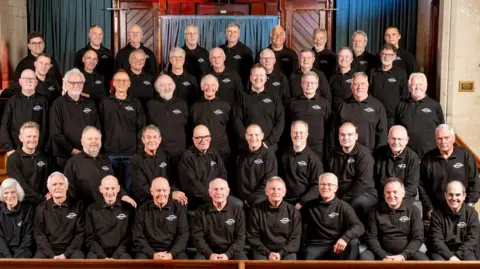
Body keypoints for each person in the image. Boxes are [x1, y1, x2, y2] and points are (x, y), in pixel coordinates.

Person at [64, 126, 136, 208]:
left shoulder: (106, 159)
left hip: (108, 211)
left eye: (97, 139)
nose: (94, 141)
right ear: (82, 141)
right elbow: (69, 191)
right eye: (90, 139)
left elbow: (115, 182)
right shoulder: (73, 163)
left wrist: (124, 195)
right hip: (85, 212)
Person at [419, 124, 480, 220]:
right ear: (436, 140)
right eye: (439, 138)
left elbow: (475, 182)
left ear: (453, 138)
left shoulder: (466, 155)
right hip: (436, 212)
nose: (443, 142)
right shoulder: (428, 158)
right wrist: (429, 208)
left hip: (462, 211)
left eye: (446, 138)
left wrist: (469, 206)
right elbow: (421, 186)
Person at [99, 70, 146, 194]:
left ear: (129, 83)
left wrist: (139, 150)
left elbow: (141, 128)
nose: (121, 83)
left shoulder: (135, 103)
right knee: (110, 189)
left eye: (124, 80)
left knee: (130, 189)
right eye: (118, 80)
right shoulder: (105, 102)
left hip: (131, 154)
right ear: (113, 83)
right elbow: (99, 127)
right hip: (110, 153)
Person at [361, 178, 428, 261]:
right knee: (364, 257)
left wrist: (403, 255)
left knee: (424, 261)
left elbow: (418, 238)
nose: (391, 195)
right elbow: (371, 237)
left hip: (406, 253)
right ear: (384, 194)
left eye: (395, 192)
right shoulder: (375, 211)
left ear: (403, 193)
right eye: (388, 192)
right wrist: (383, 256)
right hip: (381, 253)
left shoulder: (413, 211)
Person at [302, 173, 364, 260]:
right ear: (318, 187)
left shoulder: (343, 206)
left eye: (329, 184)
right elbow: (298, 226)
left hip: (337, 245)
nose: (325, 187)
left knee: (353, 243)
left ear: (336, 188)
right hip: (315, 246)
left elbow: (359, 226)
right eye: (323, 184)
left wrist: (344, 238)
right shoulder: (308, 206)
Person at [50, 68, 100, 171]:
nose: (76, 85)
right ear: (66, 84)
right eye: (72, 82)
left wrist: (90, 148)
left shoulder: (90, 103)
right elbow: (56, 133)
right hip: (65, 157)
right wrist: (71, 150)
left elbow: (97, 128)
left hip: (88, 154)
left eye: (79, 82)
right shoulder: (58, 104)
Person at [328, 122, 378, 224]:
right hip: (341, 194)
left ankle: (360, 234)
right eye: (342, 134)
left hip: (364, 193)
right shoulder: (333, 153)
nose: (346, 137)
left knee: (357, 202)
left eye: (350, 134)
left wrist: (343, 201)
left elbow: (363, 182)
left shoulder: (364, 154)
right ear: (338, 136)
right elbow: (331, 177)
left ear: (356, 136)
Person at [133, 177, 189, 260]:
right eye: (158, 191)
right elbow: (138, 236)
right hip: (148, 252)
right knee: (139, 263)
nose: (162, 194)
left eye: (164, 190)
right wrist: (152, 254)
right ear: (151, 191)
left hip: (172, 251)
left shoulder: (178, 209)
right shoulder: (142, 210)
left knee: (184, 264)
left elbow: (183, 235)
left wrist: (171, 254)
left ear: (169, 191)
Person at [192, 178, 247, 260]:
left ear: (228, 191)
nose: (219, 192)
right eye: (215, 189)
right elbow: (197, 237)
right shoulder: (201, 211)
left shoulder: (238, 211)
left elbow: (241, 238)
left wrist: (228, 255)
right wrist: (210, 254)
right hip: (207, 252)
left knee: (244, 263)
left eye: (222, 189)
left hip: (232, 252)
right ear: (210, 192)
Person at [131, 125, 187, 206]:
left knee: (182, 201)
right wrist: (170, 194)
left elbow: (173, 180)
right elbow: (141, 188)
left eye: (155, 137)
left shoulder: (166, 155)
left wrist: (176, 193)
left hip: (166, 198)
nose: (152, 140)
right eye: (148, 137)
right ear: (143, 139)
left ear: (159, 139)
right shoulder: (136, 160)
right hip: (148, 200)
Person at [247, 177, 302, 260]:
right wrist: (268, 253)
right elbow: (253, 237)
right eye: (273, 189)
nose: (276, 192)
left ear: (284, 192)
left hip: (286, 252)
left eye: (279, 189)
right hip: (262, 251)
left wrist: (281, 254)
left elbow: (295, 239)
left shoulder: (293, 211)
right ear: (266, 191)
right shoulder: (256, 210)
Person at [34, 172, 85, 259]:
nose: (58, 187)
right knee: (35, 263)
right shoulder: (41, 208)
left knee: (79, 259)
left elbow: (80, 234)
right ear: (49, 188)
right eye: (54, 184)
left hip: (71, 250)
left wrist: (66, 254)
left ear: (67, 186)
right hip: (48, 250)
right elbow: (39, 235)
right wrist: (52, 255)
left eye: (61, 184)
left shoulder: (78, 206)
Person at [178, 125, 229, 210]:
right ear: (194, 139)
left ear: (210, 138)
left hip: (218, 197)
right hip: (199, 202)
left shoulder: (214, 153)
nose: (203, 141)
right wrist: (212, 198)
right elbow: (192, 186)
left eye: (206, 137)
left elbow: (223, 174)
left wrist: (221, 194)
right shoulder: (187, 158)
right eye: (199, 138)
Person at [234, 64, 284, 152]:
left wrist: (268, 142)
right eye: (255, 75)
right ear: (250, 77)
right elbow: (237, 120)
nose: (258, 78)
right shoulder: (242, 97)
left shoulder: (274, 97)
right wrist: (248, 141)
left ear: (266, 78)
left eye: (261, 75)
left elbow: (280, 120)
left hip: (269, 147)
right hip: (247, 146)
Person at [395, 72, 445, 158]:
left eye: (421, 84)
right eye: (414, 85)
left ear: (426, 87)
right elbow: (396, 130)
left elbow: (442, 130)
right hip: (406, 155)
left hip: (430, 155)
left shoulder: (435, 106)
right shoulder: (401, 106)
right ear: (409, 88)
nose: (418, 87)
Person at [334, 72, 387, 151]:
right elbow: (334, 131)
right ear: (351, 87)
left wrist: (379, 155)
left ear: (368, 85)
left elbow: (382, 135)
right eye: (356, 84)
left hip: (370, 155)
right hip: (346, 154)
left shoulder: (377, 106)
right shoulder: (343, 105)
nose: (359, 87)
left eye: (362, 84)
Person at [85, 176, 134, 259]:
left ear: (118, 188)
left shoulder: (128, 208)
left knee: (126, 260)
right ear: (101, 189)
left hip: (121, 252)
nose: (110, 192)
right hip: (98, 252)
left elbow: (130, 236)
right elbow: (90, 238)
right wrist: (103, 257)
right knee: (91, 261)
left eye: (113, 188)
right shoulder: (92, 209)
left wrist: (115, 256)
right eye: (106, 188)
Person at [0, 69, 49, 154]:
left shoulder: (43, 101)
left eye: (32, 79)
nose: (29, 81)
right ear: (20, 81)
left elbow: (48, 127)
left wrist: (44, 149)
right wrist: (10, 149)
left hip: (39, 151)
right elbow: (4, 126)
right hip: (16, 151)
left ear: (36, 82)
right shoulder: (12, 101)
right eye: (25, 78)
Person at [428, 181, 478, 261]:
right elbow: (436, 240)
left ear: (464, 196)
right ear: (445, 195)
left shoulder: (472, 213)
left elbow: (472, 240)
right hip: (441, 251)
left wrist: (458, 255)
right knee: (439, 265)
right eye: (450, 194)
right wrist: (451, 256)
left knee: (471, 265)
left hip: (464, 251)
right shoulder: (436, 214)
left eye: (458, 195)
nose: (454, 198)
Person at [288, 71, 331, 159]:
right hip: (297, 145)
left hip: (318, 147)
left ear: (317, 85)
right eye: (306, 82)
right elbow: (288, 124)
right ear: (301, 84)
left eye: (312, 83)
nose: (309, 85)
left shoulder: (324, 103)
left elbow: (328, 126)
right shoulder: (293, 103)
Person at [279, 121, 323, 208]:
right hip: (284, 200)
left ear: (306, 134)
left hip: (304, 203)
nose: (298, 135)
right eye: (295, 132)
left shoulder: (314, 160)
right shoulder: (284, 155)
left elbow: (317, 186)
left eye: (301, 132)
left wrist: (302, 202)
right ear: (291, 134)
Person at [190, 74, 232, 165]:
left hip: (222, 150)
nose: (210, 87)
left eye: (212, 85)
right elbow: (191, 128)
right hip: (201, 151)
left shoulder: (225, 105)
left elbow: (230, 128)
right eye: (206, 85)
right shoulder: (195, 107)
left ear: (217, 88)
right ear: (202, 87)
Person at [146, 74, 188, 163]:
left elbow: (187, 125)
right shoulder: (151, 105)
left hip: (179, 152)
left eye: (169, 84)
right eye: (162, 85)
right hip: (158, 151)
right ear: (157, 89)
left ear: (174, 87)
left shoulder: (182, 103)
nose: (166, 87)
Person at [6, 122, 49, 205]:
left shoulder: (44, 157)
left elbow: (48, 181)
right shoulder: (13, 159)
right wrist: (42, 199)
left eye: (35, 136)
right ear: (21, 138)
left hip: (43, 204)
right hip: (24, 205)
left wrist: (47, 197)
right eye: (29, 136)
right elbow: (21, 186)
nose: (32, 139)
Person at [374, 125, 419, 202]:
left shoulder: (413, 157)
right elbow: (374, 181)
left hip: (404, 198)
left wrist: (395, 198)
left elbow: (412, 187)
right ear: (388, 139)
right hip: (382, 197)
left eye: (399, 139)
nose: (396, 142)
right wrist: (386, 197)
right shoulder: (378, 153)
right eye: (393, 138)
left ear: (406, 140)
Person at [235, 124, 277, 207]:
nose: (253, 138)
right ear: (246, 136)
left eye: (256, 135)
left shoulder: (268, 155)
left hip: (260, 197)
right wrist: (243, 199)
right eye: (250, 135)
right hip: (242, 198)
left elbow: (269, 181)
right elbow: (237, 179)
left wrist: (250, 199)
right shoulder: (241, 155)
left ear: (262, 136)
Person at [369, 43, 409, 129]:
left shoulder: (400, 73)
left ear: (394, 57)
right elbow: (368, 92)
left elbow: (405, 95)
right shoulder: (373, 72)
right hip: (374, 114)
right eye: (384, 54)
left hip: (392, 117)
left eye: (389, 55)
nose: (386, 57)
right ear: (380, 55)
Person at [0, 178, 35, 258]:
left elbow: (29, 237)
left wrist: (16, 258)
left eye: (13, 192)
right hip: (3, 251)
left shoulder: (28, 210)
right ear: (2, 195)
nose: (9, 196)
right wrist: (8, 256)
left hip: (23, 251)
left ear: (18, 193)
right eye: (6, 193)